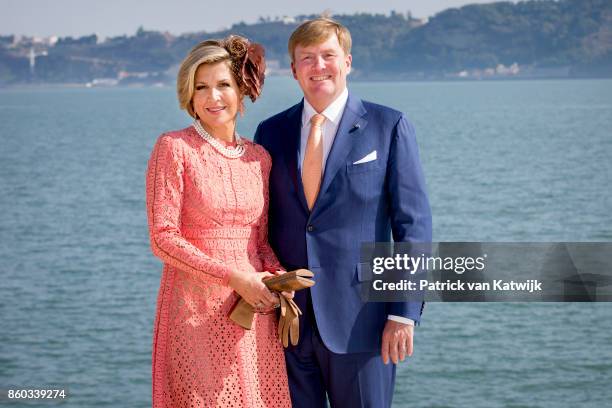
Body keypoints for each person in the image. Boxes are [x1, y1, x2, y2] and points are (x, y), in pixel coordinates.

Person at [254, 18, 432, 407]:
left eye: (328, 56)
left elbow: (413, 226)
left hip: (362, 322)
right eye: (307, 58)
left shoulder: (389, 126)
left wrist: (404, 314)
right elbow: (260, 223)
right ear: (294, 69)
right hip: (287, 322)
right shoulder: (270, 132)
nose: (319, 66)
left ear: (347, 62)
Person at [146, 35, 291, 407]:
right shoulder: (173, 148)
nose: (214, 97)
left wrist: (277, 277)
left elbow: (258, 242)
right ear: (189, 96)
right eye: (202, 87)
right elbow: (162, 237)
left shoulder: (259, 158)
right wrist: (233, 277)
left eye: (223, 85)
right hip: (195, 311)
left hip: (253, 309)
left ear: (241, 91)